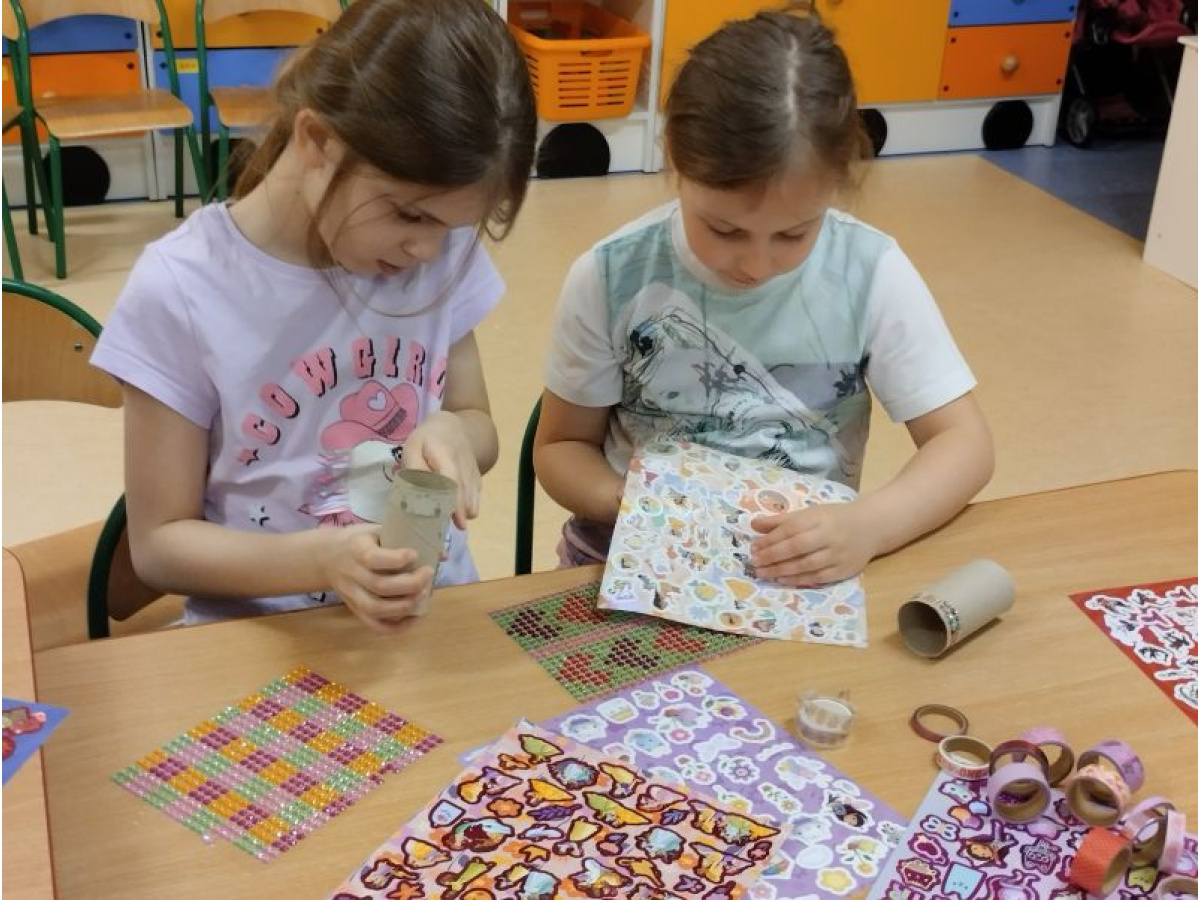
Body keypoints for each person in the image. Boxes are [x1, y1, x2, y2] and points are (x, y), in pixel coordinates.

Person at [90, 0, 536, 631]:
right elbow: (160, 546)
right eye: (410, 215)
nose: (428, 252)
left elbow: (476, 421)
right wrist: (322, 561)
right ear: (317, 141)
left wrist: (456, 434)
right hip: (260, 633)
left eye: (452, 228)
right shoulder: (184, 288)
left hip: (426, 613)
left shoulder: (438, 250)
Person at [534, 6, 994, 586]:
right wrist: (632, 504)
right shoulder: (611, 277)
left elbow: (964, 443)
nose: (755, 265)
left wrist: (870, 526)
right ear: (674, 158)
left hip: (796, 577)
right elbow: (561, 446)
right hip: (629, 562)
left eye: (793, 234)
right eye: (724, 230)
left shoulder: (869, 271)